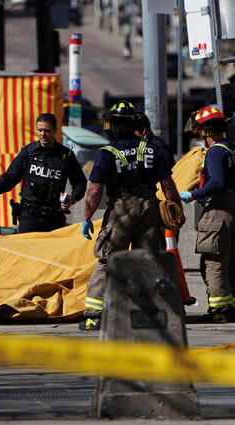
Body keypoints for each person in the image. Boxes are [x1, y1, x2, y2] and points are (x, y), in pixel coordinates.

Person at [79, 100, 181, 331]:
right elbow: (168, 186)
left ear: (114, 126)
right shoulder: (152, 149)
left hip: (120, 209)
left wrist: (86, 217)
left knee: (108, 260)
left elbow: (95, 190)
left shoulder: (106, 153)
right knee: (147, 261)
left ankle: (94, 315)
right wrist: (175, 213)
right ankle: (146, 313)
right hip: (149, 208)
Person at [180, 106, 235, 323]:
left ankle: (220, 310)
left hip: (219, 210)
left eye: (201, 133)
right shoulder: (232, 147)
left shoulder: (216, 151)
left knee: (215, 262)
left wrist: (193, 195)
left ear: (206, 133)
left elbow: (217, 182)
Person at [0, 113, 87, 233]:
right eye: (40, 130)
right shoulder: (28, 152)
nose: (42, 134)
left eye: (47, 130)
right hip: (29, 217)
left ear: (55, 131)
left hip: (54, 218)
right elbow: (10, 177)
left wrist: (72, 199)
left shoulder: (66, 156)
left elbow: (80, 182)